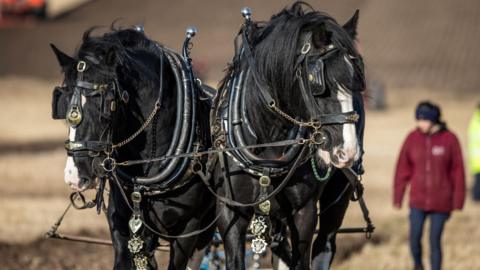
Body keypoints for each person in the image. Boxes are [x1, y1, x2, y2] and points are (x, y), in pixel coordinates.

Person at [393, 101, 465, 270]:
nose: (420, 123)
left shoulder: (450, 139)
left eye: (424, 119)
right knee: (414, 238)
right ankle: (418, 265)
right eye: (418, 119)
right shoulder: (412, 138)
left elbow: (458, 172)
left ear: (434, 120)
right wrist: (398, 197)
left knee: (434, 241)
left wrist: (458, 201)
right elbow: (402, 169)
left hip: (441, 203)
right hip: (417, 201)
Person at [469, 103, 480, 201]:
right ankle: (475, 199)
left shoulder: (475, 120)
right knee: (478, 181)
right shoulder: (477, 121)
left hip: (476, 159)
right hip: (478, 159)